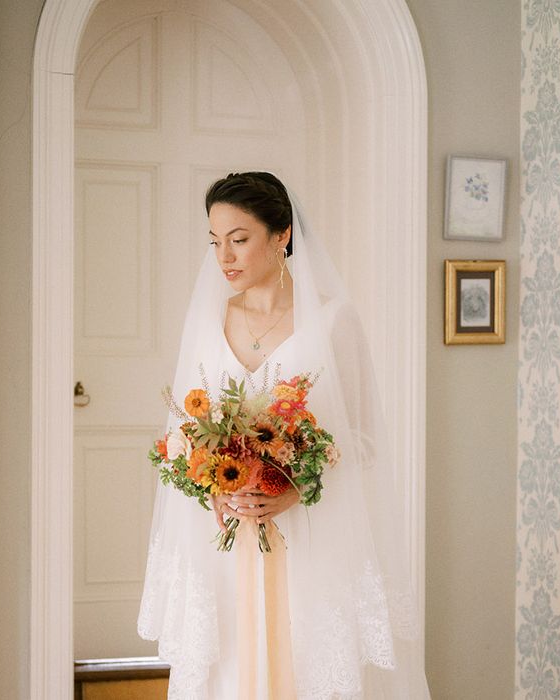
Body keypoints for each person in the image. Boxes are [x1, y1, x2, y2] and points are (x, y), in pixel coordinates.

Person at [138, 172, 430, 699]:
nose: (224, 256)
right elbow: (183, 430)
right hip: (224, 541)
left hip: (312, 536)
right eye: (215, 241)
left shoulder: (334, 319)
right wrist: (212, 482)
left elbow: (363, 438)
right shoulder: (208, 319)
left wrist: (296, 487)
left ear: (282, 235)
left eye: (239, 239)